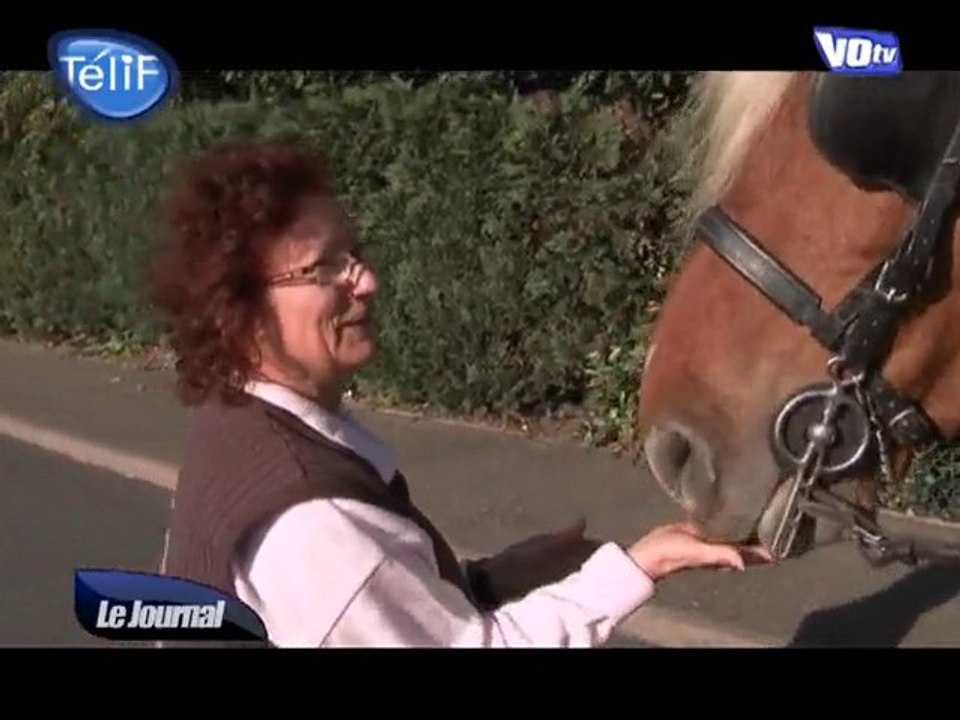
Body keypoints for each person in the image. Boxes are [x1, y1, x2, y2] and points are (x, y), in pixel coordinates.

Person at [149, 139, 771, 648]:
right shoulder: (313, 523)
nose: (365, 280)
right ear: (240, 310)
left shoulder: (237, 423)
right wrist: (639, 569)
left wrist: (491, 579)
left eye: (355, 253)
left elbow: (380, 615)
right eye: (324, 268)